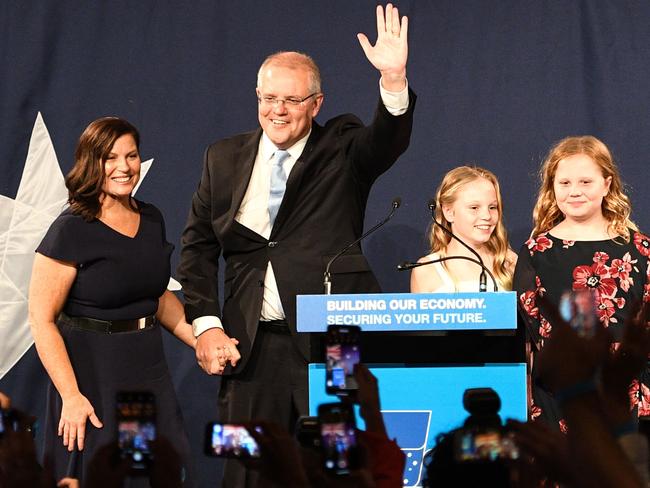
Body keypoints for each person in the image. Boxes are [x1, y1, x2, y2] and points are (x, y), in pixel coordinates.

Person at [177, 3, 414, 486]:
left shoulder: (343, 147)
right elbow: (198, 248)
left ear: (317, 103)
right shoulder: (222, 157)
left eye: (290, 100)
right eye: (267, 98)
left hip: (333, 342)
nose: (277, 111)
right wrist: (205, 326)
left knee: (340, 469)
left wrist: (394, 79)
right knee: (245, 470)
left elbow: (386, 140)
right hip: (248, 346)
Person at [28, 117, 196, 485]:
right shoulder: (71, 228)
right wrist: (71, 396)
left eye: (131, 155)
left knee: (163, 473)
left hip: (149, 369)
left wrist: (200, 341)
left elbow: (155, 294)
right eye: (110, 157)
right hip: (91, 378)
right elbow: (42, 320)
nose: (124, 167)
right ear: (91, 162)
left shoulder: (151, 218)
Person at [513, 135, 650, 431]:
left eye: (585, 182)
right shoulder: (537, 252)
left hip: (627, 397)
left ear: (607, 183)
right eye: (564, 183)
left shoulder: (639, 250)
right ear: (552, 187)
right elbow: (532, 335)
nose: (574, 192)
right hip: (560, 400)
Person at [410, 166, 517, 292]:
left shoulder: (509, 262)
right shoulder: (426, 270)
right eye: (474, 207)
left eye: (492, 207)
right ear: (449, 212)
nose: (487, 216)